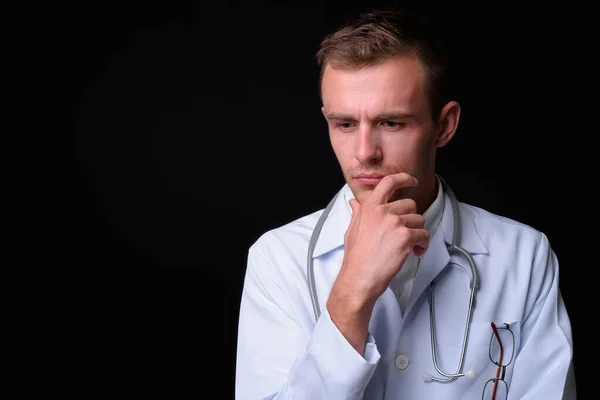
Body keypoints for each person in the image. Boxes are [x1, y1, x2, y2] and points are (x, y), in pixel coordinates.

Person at [234, 8, 576, 400]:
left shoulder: (523, 255)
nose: (365, 153)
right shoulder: (277, 259)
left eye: (391, 123)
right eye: (345, 124)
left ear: (444, 126)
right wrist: (351, 293)